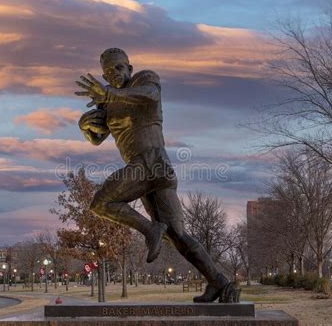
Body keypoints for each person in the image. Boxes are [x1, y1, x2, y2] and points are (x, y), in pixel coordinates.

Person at [75, 48, 233, 302]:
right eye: (107, 73)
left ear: (130, 68)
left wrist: (109, 93)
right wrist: (85, 125)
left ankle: (150, 230)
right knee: (177, 235)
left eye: (118, 68)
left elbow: (150, 96)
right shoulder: (110, 101)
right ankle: (219, 281)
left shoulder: (144, 80)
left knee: (102, 203)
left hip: (151, 161)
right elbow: (97, 137)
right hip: (150, 173)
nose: (112, 74)